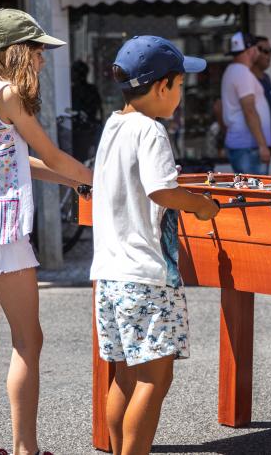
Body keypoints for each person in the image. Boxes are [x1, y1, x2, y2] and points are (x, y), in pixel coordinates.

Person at [0, 8, 94, 455]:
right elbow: (48, 152)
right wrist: (99, 180)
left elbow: (15, 161)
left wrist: (71, 179)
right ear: (17, 51)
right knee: (29, 341)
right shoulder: (9, 94)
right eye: (38, 50)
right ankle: (27, 450)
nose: (43, 60)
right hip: (1, 230)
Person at [91, 35, 220, 455]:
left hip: (109, 275)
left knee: (126, 376)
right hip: (146, 277)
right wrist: (202, 205)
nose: (181, 95)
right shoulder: (151, 130)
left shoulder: (114, 125)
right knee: (155, 379)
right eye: (181, 85)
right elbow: (162, 191)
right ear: (163, 85)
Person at [221, 31, 271, 174]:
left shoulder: (232, 70)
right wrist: (262, 145)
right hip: (249, 148)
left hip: (243, 146)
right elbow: (249, 110)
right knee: (256, 194)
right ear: (252, 50)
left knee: (250, 192)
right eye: (257, 48)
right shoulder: (242, 72)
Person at [252, 36, 271, 155]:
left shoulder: (266, 78)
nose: (269, 55)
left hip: (267, 147)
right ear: (254, 52)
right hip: (253, 148)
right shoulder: (246, 78)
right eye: (265, 51)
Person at [70, 59, 103, 160]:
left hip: (84, 131)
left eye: (73, 72)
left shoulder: (76, 91)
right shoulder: (90, 89)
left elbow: (99, 110)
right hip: (84, 130)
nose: (71, 75)